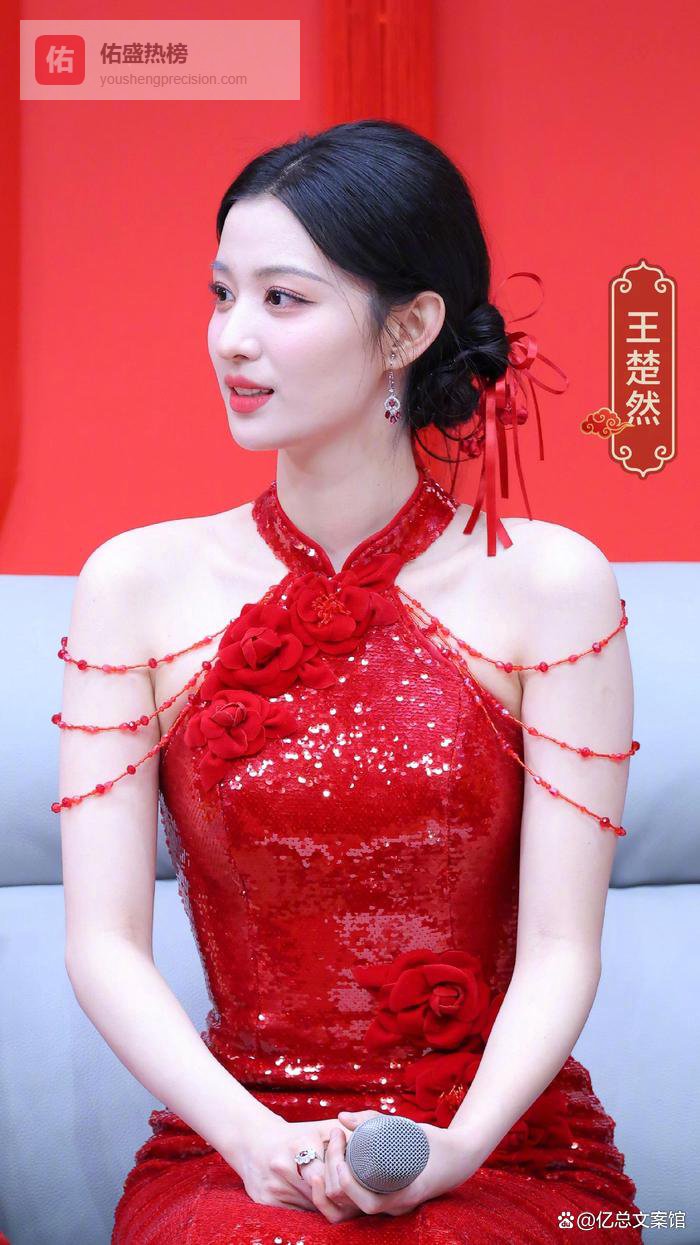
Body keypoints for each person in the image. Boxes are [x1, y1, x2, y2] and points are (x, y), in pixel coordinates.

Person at [56, 119, 644, 1242]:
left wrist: (454, 1148)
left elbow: (564, 946)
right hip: (235, 1141)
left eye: (282, 298)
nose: (232, 337)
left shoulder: (551, 586)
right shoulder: (132, 585)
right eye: (221, 294)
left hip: (500, 1146)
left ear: (409, 329)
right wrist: (254, 1142)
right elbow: (102, 942)